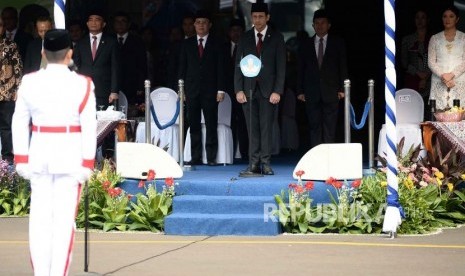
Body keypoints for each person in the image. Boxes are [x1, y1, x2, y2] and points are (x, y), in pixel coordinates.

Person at [12, 29, 97, 276]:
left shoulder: (29, 81)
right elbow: (89, 126)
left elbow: (19, 122)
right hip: (70, 157)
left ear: (42, 53)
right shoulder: (83, 84)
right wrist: (87, 163)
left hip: (39, 155)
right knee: (62, 224)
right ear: (70, 53)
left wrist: (21, 159)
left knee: (39, 222)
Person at [234, 0, 286, 175]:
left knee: (266, 128)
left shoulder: (277, 37)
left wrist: (277, 90)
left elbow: (281, 67)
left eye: (261, 17)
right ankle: (253, 163)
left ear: (267, 17)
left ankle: (266, 162)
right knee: (251, 129)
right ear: (251, 17)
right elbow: (238, 65)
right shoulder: (245, 37)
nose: (257, 20)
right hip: (248, 90)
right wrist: (238, 89)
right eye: (255, 17)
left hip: (268, 91)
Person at [179, 9, 225, 166]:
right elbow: (182, 68)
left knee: (211, 123)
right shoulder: (186, 44)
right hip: (191, 90)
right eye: (198, 22)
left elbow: (221, 68)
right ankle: (196, 156)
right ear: (194, 25)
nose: (200, 25)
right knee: (194, 124)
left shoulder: (217, 43)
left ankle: (211, 157)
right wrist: (182, 90)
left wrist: (220, 89)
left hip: (211, 90)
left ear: (209, 25)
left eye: (204, 22)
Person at [296, 9, 348, 149]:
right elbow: (300, 69)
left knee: (330, 127)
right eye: (317, 23)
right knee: (314, 127)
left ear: (329, 25)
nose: (320, 26)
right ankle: (316, 156)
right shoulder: (305, 44)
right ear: (313, 25)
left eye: (323, 23)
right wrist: (300, 90)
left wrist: (343, 89)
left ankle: (329, 157)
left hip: (331, 91)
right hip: (311, 92)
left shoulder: (338, 42)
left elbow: (342, 66)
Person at [73, 9, 120, 108]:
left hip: (104, 91)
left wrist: (114, 91)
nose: (93, 22)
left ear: (103, 24)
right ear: (87, 23)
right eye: (91, 20)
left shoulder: (111, 42)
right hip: (84, 90)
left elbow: (115, 68)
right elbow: (75, 67)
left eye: (97, 19)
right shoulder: (80, 43)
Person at [428, 5, 465, 110]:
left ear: (457, 19)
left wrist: (452, 75)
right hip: (439, 80)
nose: (447, 19)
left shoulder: (463, 38)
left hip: (458, 81)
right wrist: (443, 75)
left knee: (459, 115)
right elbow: (431, 62)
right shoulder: (435, 38)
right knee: (438, 115)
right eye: (445, 16)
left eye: (451, 16)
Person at [0, 16, 23, 163]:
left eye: (0, 25)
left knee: (7, 127)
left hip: (7, 93)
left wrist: (18, 90)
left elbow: (18, 68)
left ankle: (7, 159)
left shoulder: (10, 45)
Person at [225, 18, 248, 160]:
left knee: (244, 122)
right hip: (226, 92)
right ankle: (230, 152)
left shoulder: (248, 47)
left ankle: (245, 152)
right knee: (229, 121)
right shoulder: (222, 47)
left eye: (239, 30)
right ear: (229, 33)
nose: (236, 33)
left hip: (244, 91)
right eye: (233, 31)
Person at [113, 11, 147, 104]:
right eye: (117, 21)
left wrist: (140, 86)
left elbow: (142, 66)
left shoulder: (137, 42)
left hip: (131, 84)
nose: (120, 24)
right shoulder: (109, 40)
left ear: (128, 24)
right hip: (112, 85)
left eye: (123, 21)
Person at [401, 9, 431, 99]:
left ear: (427, 20)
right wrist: (418, 73)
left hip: (431, 79)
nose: (420, 20)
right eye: (417, 17)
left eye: (423, 17)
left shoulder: (434, 39)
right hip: (412, 79)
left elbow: (438, 61)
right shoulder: (407, 39)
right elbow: (404, 62)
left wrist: (425, 77)